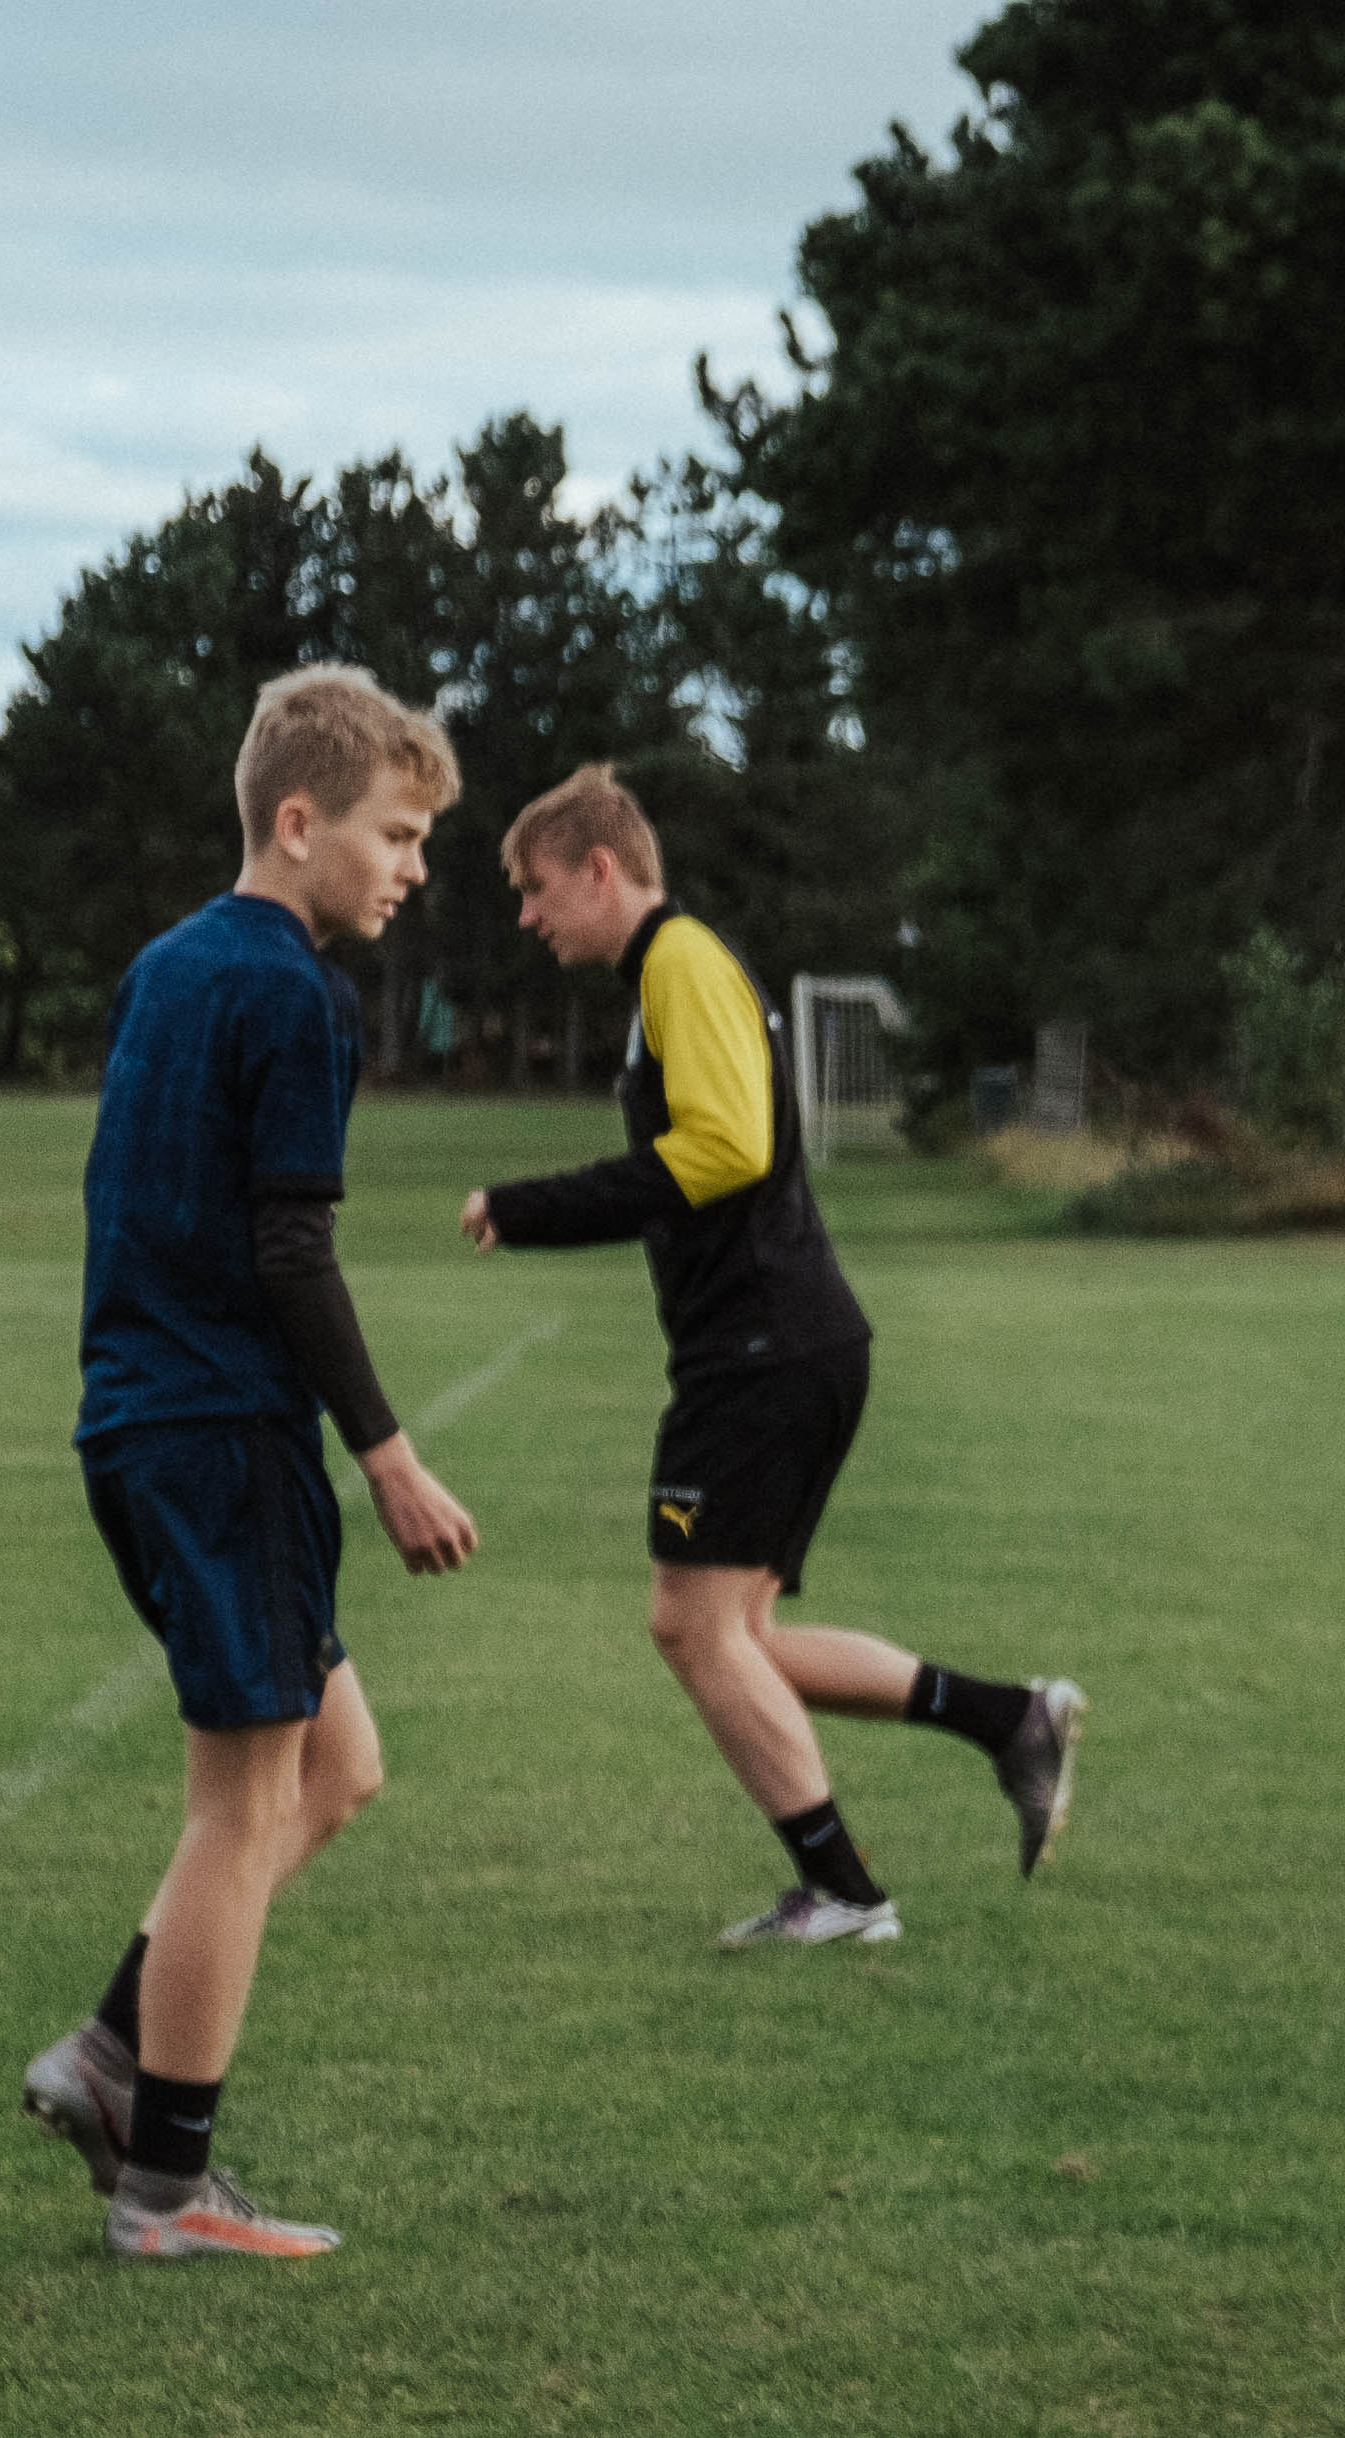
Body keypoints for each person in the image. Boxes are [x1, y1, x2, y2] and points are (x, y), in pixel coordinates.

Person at [13, 669, 485, 2260]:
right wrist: (393, 1460)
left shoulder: (167, 965)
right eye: (394, 833)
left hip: (142, 1420)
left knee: (337, 1767)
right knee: (240, 1801)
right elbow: (293, 1251)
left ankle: (110, 2053)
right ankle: (169, 2189)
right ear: (299, 824)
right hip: (221, 1431)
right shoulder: (295, 993)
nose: (410, 867)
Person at [455, 765, 1076, 1945]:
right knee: (740, 1639)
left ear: (601, 869)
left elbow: (727, 1151)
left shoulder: (681, 961)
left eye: (537, 889)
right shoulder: (664, 975)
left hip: (762, 1351)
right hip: (787, 1341)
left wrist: (530, 1207)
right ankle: (1010, 1720)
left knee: (690, 1627)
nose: (528, 917)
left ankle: (846, 1893)